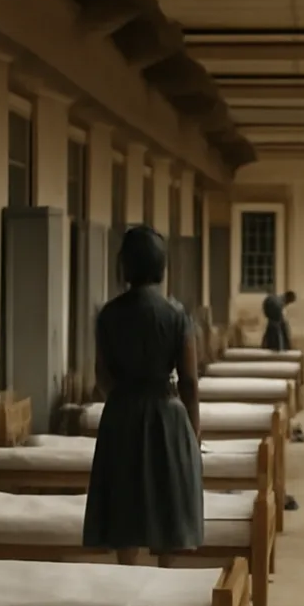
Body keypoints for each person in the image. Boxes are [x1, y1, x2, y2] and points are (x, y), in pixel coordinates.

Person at [83, 225, 204, 564]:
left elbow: (102, 375)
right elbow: (190, 381)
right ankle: (163, 583)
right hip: (167, 411)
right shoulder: (177, 314)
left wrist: (123, 402)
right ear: (161, 266)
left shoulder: (109, 314)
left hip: (121, 412)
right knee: (167, 503)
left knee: (125, 499)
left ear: (125, 266)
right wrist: (193, 427)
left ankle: (128, 576)